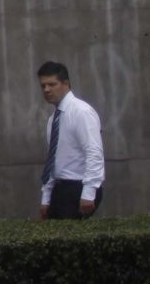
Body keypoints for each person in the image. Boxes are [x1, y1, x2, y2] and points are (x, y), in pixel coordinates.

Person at [36, 61, 105, 220]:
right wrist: (46, 198)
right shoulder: (54, 119)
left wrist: (88, 192)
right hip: (61, 188)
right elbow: (53, 160)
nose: (47, 90)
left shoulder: (81, 112)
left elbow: (93, 152)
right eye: (43, 86)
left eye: (52, 84)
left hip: (78, 186)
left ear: (66, 83)